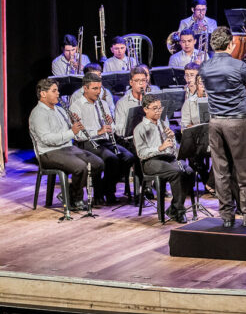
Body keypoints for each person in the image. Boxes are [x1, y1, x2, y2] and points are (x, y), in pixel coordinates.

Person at [199, 26, 246, 227]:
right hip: (237, 122)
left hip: (215, 122)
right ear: (231, 44)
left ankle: (227, 216)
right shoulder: (237, 65)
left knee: (221, 172)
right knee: (245, 169)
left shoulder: (204, 67)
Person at [29, 79, 105, 211]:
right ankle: (75, 198)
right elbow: (47, 139)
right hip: (48, 153)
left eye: (57, 90)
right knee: (81, 167)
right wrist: (72, 132)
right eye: (54, 91)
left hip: (66, 148)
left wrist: (74, 124)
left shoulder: (59, 110)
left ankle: (69, 194)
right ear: (43, 94)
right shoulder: (38, 114)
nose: (58, 94)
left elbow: (71, 131)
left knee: (97, 163)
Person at [69, 72, 136, 205]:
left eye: (100, 88)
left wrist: (111, 124)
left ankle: (107, 188)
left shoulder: (103, 104)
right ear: (85, 88)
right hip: (86, 142)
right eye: (95, 88)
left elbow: (113, 128)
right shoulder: (76, 106)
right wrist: (99, 131)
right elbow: (78, 135)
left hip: (104, 141)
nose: (98, 92)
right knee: (111, 159)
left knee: (128, 157)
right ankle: (103, 192)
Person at [133, 94, 195, 223]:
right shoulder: (140, 128)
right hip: (150, 162)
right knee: (176, 172)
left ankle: (174, 208)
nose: (158, 111)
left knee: (189, 171)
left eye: (160, 108)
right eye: (155, 108)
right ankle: (178, 211)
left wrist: (173, 140)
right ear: (146, 109)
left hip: (168, 158)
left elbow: (174, 150)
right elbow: (141, 153)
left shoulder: (163, 124)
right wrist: (160, 148)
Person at [114, 67, 151, 137]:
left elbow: (164, 122)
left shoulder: (153, 100)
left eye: (143, 80)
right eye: (137, 81)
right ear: (131, 82)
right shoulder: (122, 103)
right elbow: (119, 131)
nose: (141, 84)